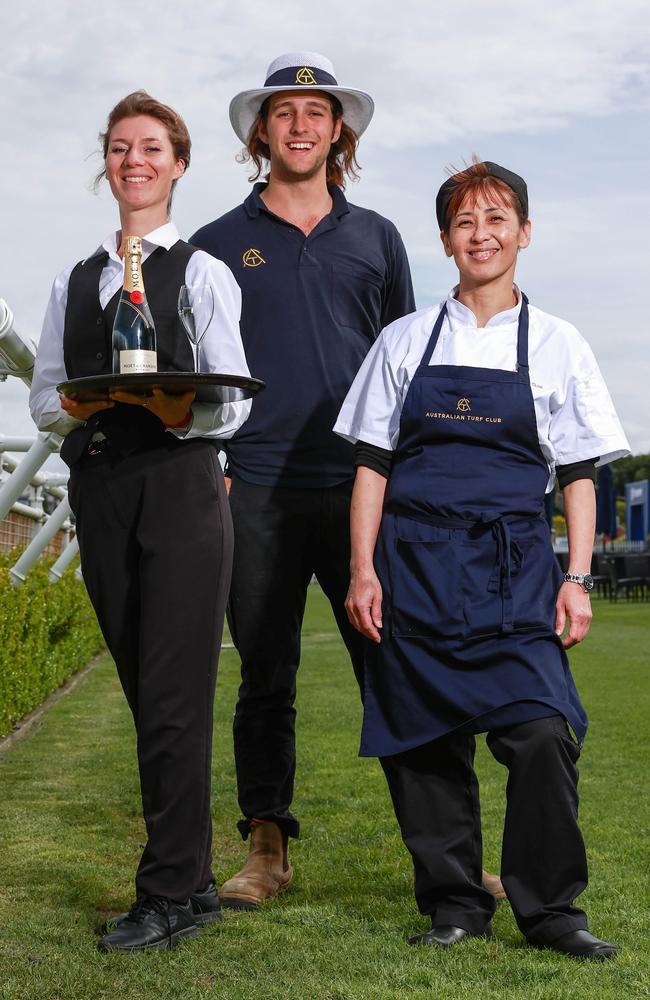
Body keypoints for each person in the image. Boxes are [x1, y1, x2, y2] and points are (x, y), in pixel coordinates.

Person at [335, 160, 630, 959]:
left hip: (515, 573)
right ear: (445, 241)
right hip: (413, 570)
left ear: (523, 233)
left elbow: (577, 474)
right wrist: (363, 569)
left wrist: (576, 578)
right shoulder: (404, 341)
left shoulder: (560, 344)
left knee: (541, 732)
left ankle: (553, 912)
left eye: (497, 219)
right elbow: (371, 464)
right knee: (422, 744)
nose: (482, 234)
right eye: (466, 222)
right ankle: (455, 905)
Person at [190, 51, 417, 908]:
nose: (300, 124)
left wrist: (403, 481)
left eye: (315, 112)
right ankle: (266, 849)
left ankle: (443, 853)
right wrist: (211, 467)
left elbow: (404, 367)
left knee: (393, 669)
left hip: (362, 490)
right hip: (255, 488)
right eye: (284, 111)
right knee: (264, 677)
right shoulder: (216, 243)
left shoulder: (378, 238)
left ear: (337, 130)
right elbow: (200, 372)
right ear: (262, 129)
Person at [29, 91, 251, 952]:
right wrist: (90, 407)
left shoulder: (200, 272)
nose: (134, 160)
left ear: (178, 164)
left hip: (182, 488)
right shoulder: (74, 279)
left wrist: (168, 404)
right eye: (120, 147)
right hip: (103, 490)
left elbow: (231, 403)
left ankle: (163, 893)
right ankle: (192, 883)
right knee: (146, 694)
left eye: (151, 147)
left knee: (171, 697)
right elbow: (49, 396)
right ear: (107, 164)